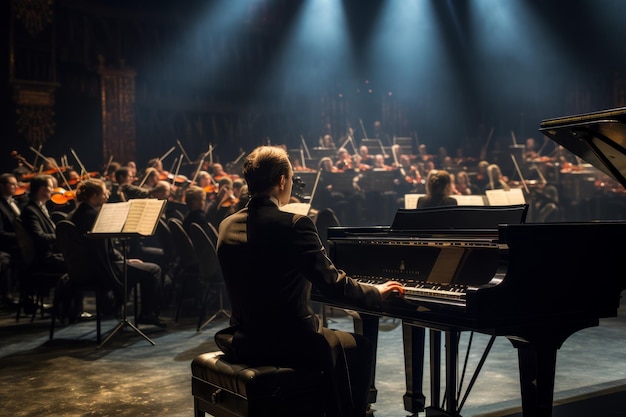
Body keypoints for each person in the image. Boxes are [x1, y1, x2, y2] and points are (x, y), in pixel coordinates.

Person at [216, 145, 404, 417]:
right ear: (282, 180)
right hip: (289, 342)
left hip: (243, 339)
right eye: (291, 178)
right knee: (361, 347)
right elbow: (333, 284)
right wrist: (374, 291)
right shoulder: (294, 224)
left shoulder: (226, 224)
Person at [69, 178, 166, 327]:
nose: (107, 196)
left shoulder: (76, 214)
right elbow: (104, 253)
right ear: (94, 196)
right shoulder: (92, 216)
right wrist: (125, 261)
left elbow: (104, 250)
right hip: (101, 271)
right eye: (103, 193)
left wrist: (125, 260)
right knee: (153, 270)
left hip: (84, 269)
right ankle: (147, 314)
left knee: (140, 268)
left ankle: (117, 305)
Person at [20, 174, 66, 273]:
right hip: (45, 258)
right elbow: (39, 237)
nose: (53, 190)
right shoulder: (30, 210)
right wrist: (61, 236)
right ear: (42, 189)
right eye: (51, 187)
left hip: (53, 252)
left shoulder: (40, 207)